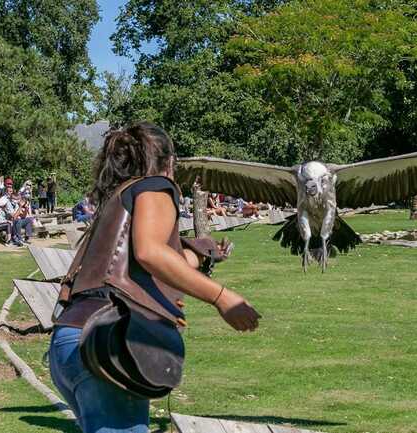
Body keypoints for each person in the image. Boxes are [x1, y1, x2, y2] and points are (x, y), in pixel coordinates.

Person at [48, 122, 260, 433]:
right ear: (169, 161)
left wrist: (198, 256)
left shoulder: (115, 200)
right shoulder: (155, 186)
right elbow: (149, 252)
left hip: (69, 341)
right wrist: (222, 297)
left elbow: (137, 265)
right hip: (108, 340)